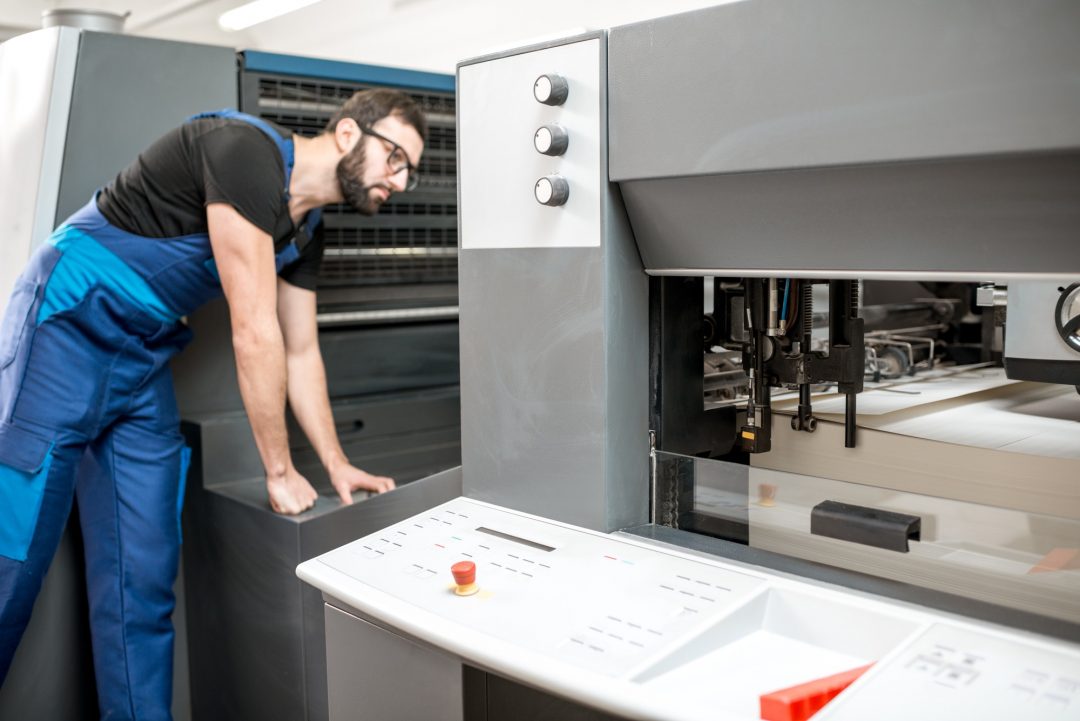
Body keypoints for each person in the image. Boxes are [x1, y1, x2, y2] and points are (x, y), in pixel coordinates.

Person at [0, 88, 425, 719]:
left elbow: (302, 352)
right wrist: (277, 473)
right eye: (395, 156)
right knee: (13, 555)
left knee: (142, 575)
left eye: (410, 171)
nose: (401, 179)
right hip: (66, 324)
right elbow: (254, 328)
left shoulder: (307, 234)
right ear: (345, 135)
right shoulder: (244, 154)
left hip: (140, 358)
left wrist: (335, 465)